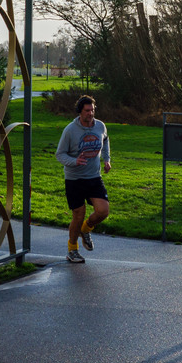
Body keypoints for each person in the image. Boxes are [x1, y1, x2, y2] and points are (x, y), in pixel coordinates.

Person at [55, 94, 111, 263]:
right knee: (78, 216)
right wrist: (74, 161)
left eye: (92, 110)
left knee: (103, 211)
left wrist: (107, 159)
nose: (90, 114)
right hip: (74, 179)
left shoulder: (100, 126)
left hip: (94, 177)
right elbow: (59, 154)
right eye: (87, 111)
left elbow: (106, 140)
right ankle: (72, 249)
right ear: (80, 111)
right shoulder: (70, 130)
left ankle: (85, 229)